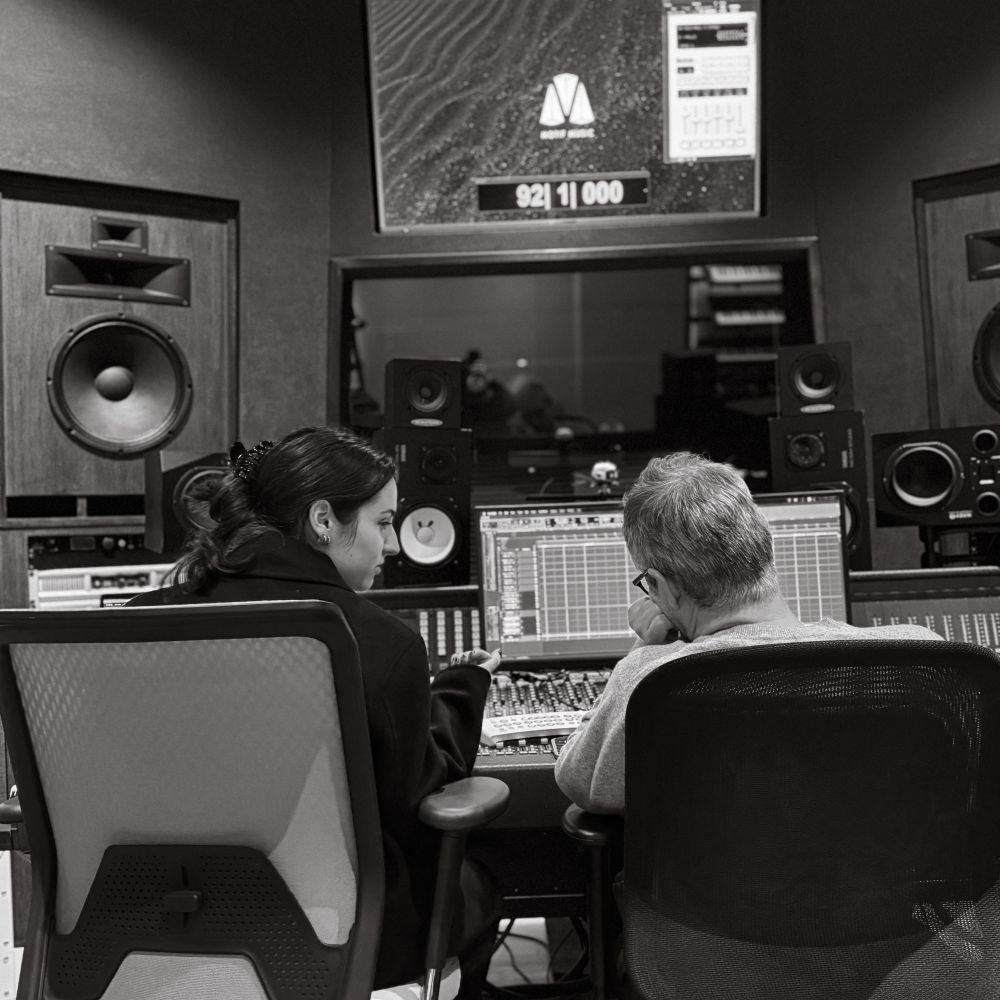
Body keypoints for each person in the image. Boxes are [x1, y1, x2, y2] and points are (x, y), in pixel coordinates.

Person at [129, 426, 500, 995]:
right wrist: (461, 691)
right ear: (323, 519)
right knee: (479, 888)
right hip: (345, 944)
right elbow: (416, 801)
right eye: (382, 522)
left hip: (163, 927)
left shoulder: (137, 622)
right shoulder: (379, 641)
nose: (393, 545)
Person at [554, 450, 942, 814]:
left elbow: (581, 780)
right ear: (766, 546)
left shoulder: (652, 684)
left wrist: (644, 648)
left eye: (647, 585)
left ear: (661, 587)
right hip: (888, 867)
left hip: (725, 870)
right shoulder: (923, 658)